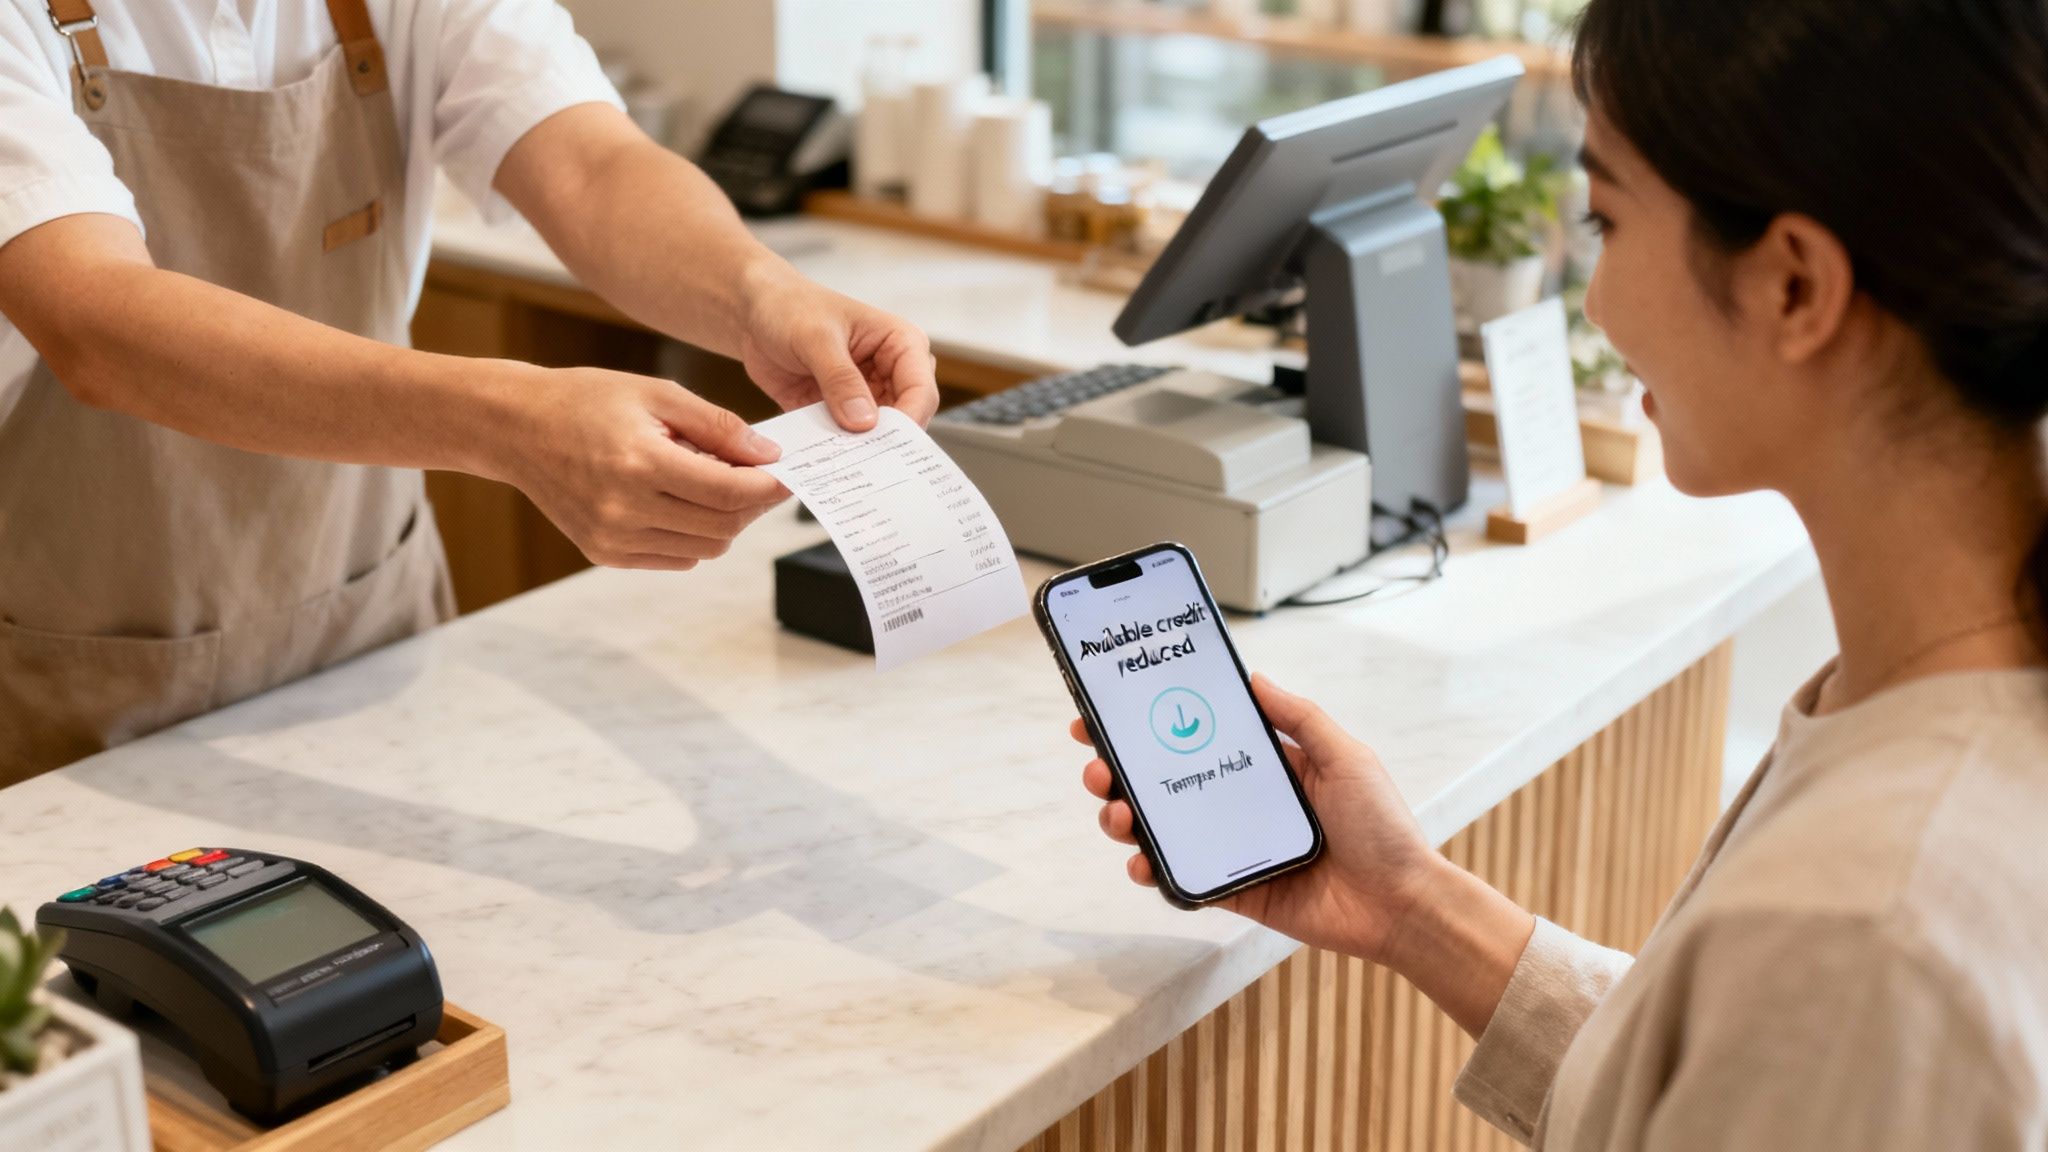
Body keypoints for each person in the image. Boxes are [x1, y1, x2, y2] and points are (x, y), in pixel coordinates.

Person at [1071, 0, 2048, 1145]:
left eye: (1604, 224)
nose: (1591, 301)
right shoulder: (1928, 701)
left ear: (1793, 285)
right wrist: (1410, 905)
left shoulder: (1865, 928)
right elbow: (1714, 1088)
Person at [0, 0, 937, 781]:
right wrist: (512, 421)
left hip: (378, 646)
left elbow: (590, 164)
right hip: (72, 697)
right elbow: (97, 322)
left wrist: (761, 293)